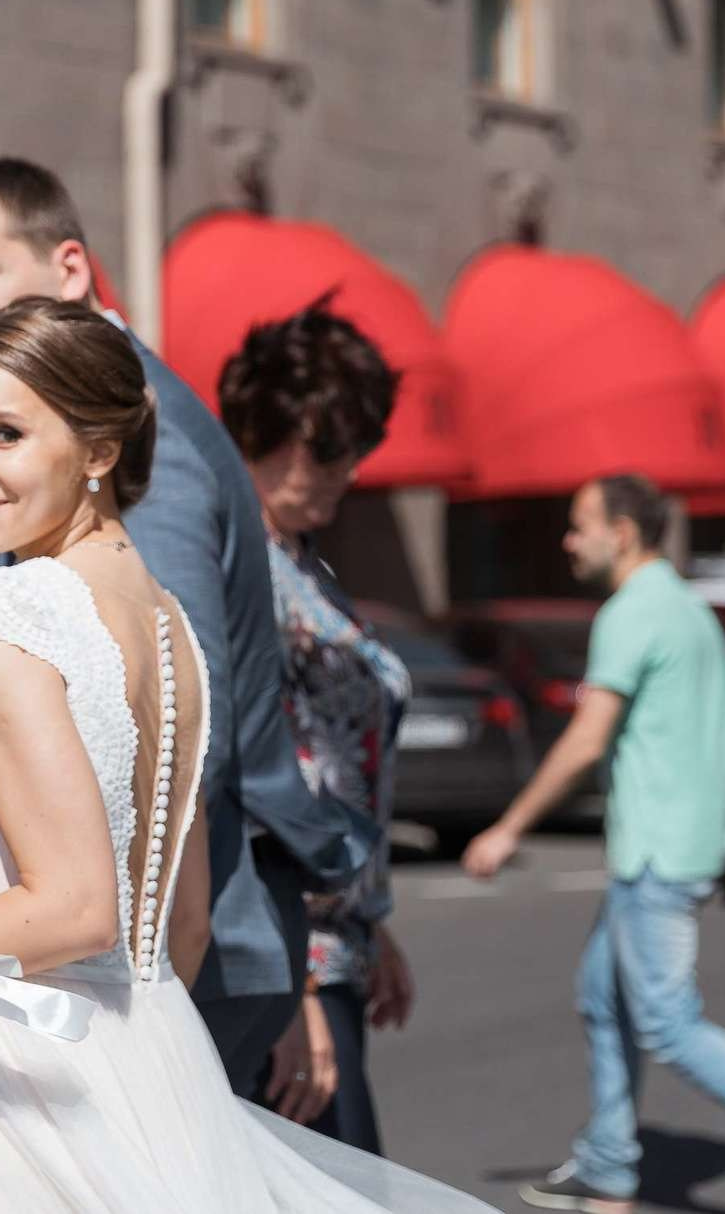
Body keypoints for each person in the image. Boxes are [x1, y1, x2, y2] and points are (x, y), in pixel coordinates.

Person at [0, 296, 491, 1212]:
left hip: (21, 1072)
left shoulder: (6, 614)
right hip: (156, 1046)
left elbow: (75, 908)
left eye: (5, 434)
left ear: (99, 452)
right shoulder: (169, 622)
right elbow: (180, 926)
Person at [0, 157, 370, 1097]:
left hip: (141, 966)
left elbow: (176, 743)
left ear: (70, 269)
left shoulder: (118, 453)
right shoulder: (67, 439)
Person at [462, 475, 725, 1214]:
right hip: (685, 841)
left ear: (622, 532)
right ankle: (610, 1162)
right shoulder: (687, 608)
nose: (568, 539)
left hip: (658, 853)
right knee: (601, 993)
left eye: (580, 524)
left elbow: (588, 738)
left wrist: (508, 827)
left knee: (666, 1021)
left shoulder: (632, 613)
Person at [218, 303, 414, 1153]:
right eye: (329, 448)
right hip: (290, 944)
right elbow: (247, 773)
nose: (347, 471)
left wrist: (371, 918)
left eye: (357, 449)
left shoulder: (298, 560)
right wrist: (291, 977)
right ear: (269, 429)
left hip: (331, 940)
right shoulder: (240, 563)